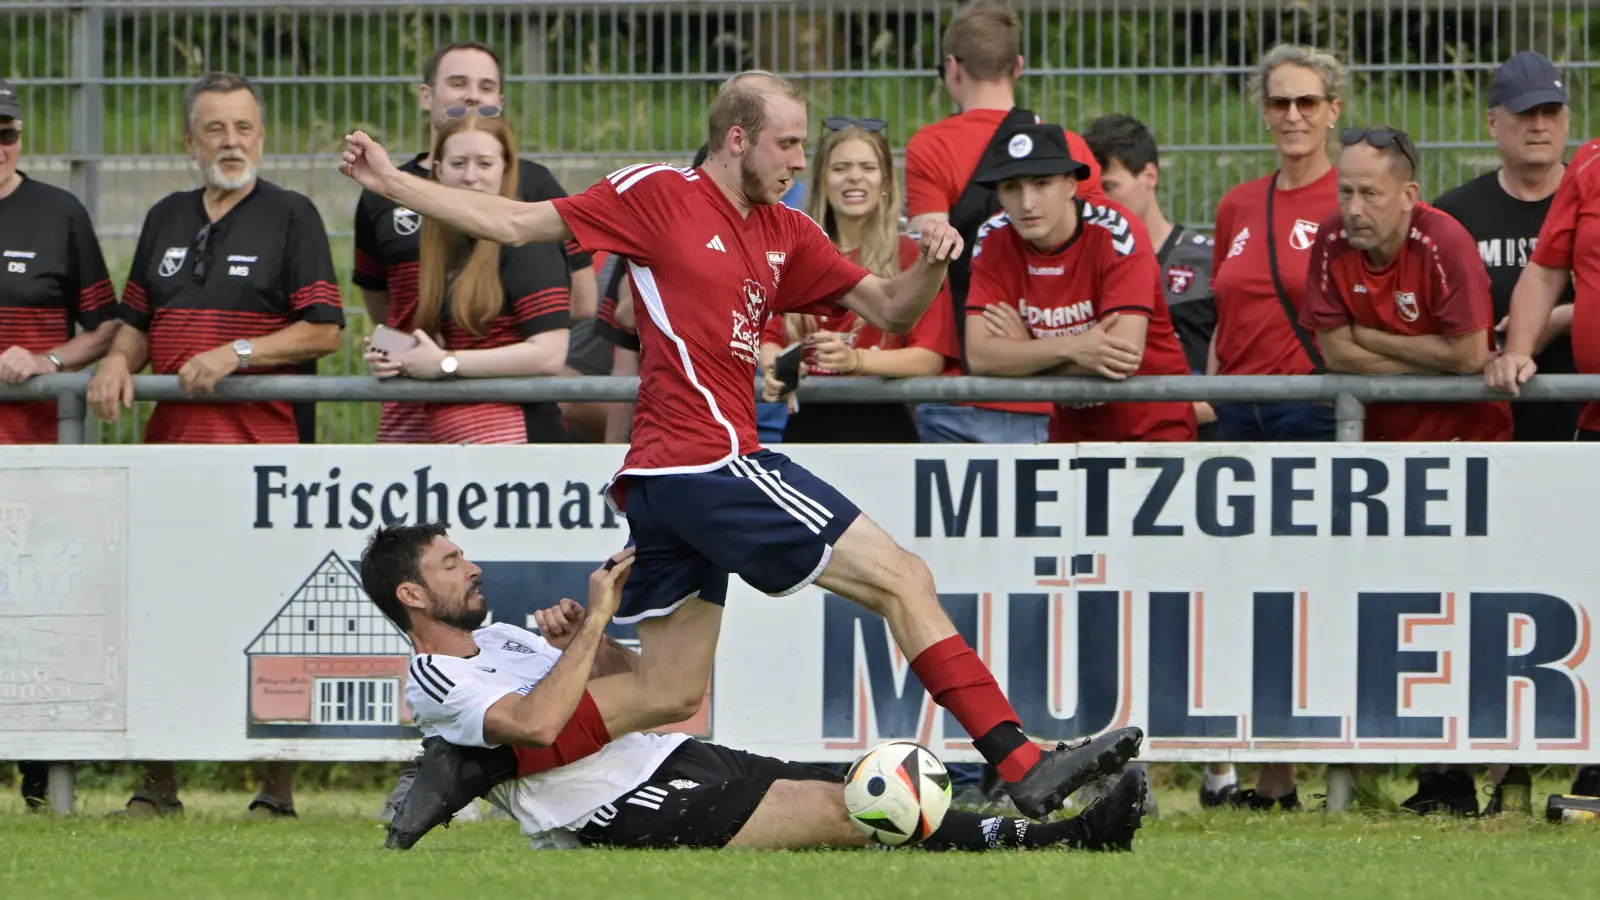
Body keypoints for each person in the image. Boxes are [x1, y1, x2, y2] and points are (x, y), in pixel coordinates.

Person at [340, 70, 1143, 845]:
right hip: (708, 462)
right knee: (904, 577)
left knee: (669, 690)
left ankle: (482, 761)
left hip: (668, 482)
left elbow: (892, 306)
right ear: (736, 138)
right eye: (788, 145)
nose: (801, 164)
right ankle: (1022, 761)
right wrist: (389, 182)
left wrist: (933, 259)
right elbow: (516, 223)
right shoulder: (659, 194)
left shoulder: (789, 230)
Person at [361, 522, 1148, 853]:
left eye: (464, 555)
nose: (473, 567)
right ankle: (1067, 838)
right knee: (855, 811)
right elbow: (535, 725)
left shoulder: (502, 637)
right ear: (413, 597)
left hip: (671, 755)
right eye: (450, 564)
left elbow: (635, 692)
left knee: (866, 788)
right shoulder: (435, 674)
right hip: (610, 809)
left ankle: (1038, 817)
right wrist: (595, 623)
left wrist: (583, 646)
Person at [86, 73, 345, 817]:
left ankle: (277, 790)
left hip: (265, 462)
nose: (231, 142)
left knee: (274, 618)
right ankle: (157, 786)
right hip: (171, 457)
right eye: (214, 129)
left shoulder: (293, 216)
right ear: (187, 140)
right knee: (164, 611)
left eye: (244, 127)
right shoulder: (165, 216)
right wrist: (113, 359)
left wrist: (238, 352)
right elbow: (137, 322)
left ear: (262, 134)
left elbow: (324, 329)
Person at [1200, 44, 1350, 810]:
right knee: (1245, 595)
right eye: (1280, 103)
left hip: (1313, 414)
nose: (1292, 116)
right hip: (1238, 415)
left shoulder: (1347, 197)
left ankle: (1303, 773)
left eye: (1307, 103)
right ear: (1264, 111)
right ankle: (1269, 774)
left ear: (1333, 110)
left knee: (1305, 594)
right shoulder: (1238, 202)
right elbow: (1229, 315)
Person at [352, 40, 595, 444]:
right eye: (459, 83)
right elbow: (391, 315)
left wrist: (465, 357)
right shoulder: (392, 200)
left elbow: (567, 322)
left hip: (504, 431)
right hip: (416, 419)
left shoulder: (530, 201)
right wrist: (397, 349)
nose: (471, 96)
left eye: (485, 87)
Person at [902, 0, 1105, 445]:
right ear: (1018, 66)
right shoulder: (1069, 150)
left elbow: (929, 270)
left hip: (965, 390)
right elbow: (1096, 268)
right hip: (1059, 395)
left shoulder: (931, 147)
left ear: (953, 67)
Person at [962, 122, 1196, 444]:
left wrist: (1024, 353)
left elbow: (1121, 358)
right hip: (1071, 435)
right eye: (1012, 187)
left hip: (1153, 430)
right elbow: (980, 357)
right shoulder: (992, 237)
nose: (1027, 203)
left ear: (1071, 185)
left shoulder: (1117, 230)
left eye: (1041, 184)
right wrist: (1072, 347)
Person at [1300, 125, 1510, 447]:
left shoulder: (1444, 242)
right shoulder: (1331, 239)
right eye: (1345, 192)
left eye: (1370, 193)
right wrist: (1441, 365)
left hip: (1467, 440)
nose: (1354, 210)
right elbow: (1337, 355)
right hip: (1379, 443)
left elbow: (1468, 357)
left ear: (1408, 196)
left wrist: (1367, 338)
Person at [758, 117, 958, 442]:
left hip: (885, 428)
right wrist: (775, 368)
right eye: (840, 168)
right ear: (822, 181)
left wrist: (856, 360)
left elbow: (929, 358)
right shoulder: (795, 254)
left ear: (885, 182)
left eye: (867, 167)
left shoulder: (914, 256)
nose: (854, 177)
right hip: (806, 428)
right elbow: (769, 339)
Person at [1435, 52, 1578, 444]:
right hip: (1485, 417)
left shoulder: (1593, 204)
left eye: (1550, 112)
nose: (1538, 126)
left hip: (1584, 414)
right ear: (1493, 123)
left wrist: (1561, 318)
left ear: (1566, 121)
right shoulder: (1453, 214)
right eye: (1524, 113)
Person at [0, 77, 121, 443]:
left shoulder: (59, 213)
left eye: (7, 135)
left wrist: (45, 361)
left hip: (33, 446)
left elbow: (106, 328)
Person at [1083, 113, 1217, 440]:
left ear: (1149, 175)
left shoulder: (1207, 261)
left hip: (1194, 440)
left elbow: (1236, 358)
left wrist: (1205, 406)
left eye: (1109, 187)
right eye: (1091, 192)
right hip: (1107, 434)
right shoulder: (1084, 266)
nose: (1099, 203)